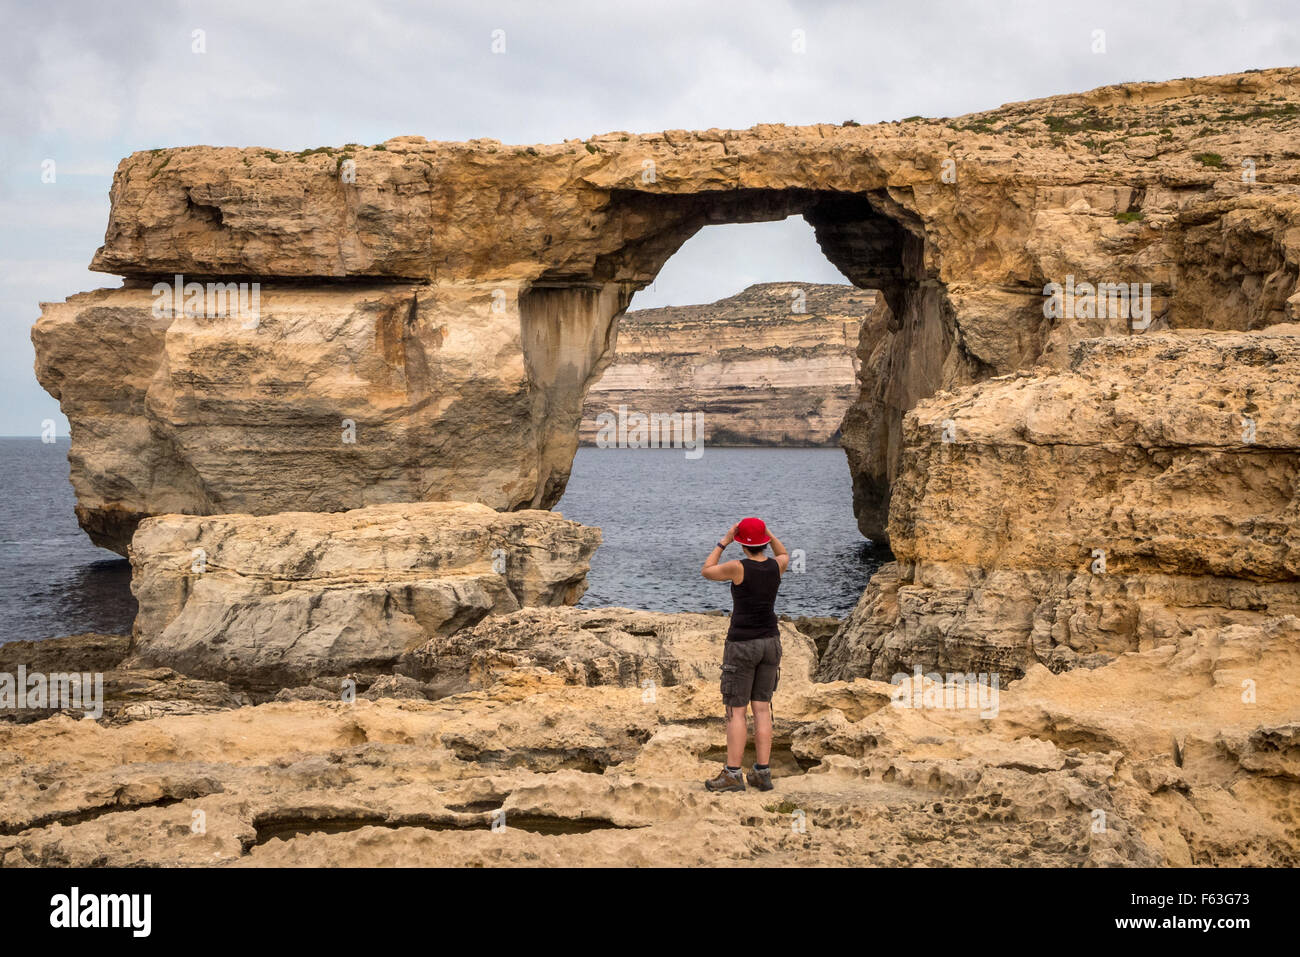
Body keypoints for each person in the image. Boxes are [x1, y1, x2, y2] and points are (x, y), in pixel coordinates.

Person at [700, 516, 789, 792]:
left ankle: (733, 773)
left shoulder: (737, 568)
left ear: (742, 544)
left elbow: (707, 570)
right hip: (770, 642)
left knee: (735, 711)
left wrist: (723, 541)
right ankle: (762, 772)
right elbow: (783, 551)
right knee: (762, 708)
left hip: (742, 644)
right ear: (763, 542)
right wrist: (768, 533)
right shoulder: (777, 565)